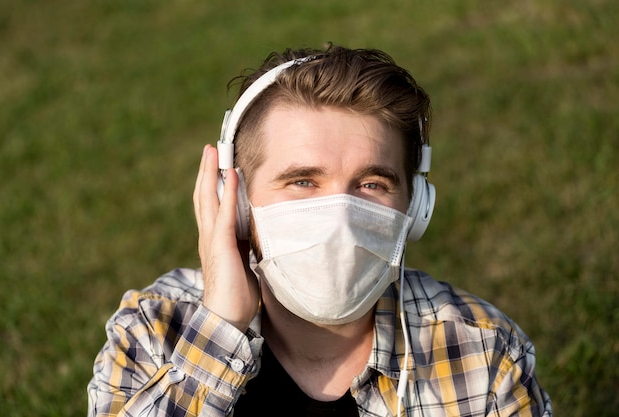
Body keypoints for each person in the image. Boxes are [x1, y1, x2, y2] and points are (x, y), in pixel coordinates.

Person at [87, 44, 553, 417]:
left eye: (371, 184)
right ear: (240, 204)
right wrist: (220, 327)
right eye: (303, 181)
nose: (339, 217)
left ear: (413, 210)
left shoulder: (485, 355)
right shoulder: (151, 332)